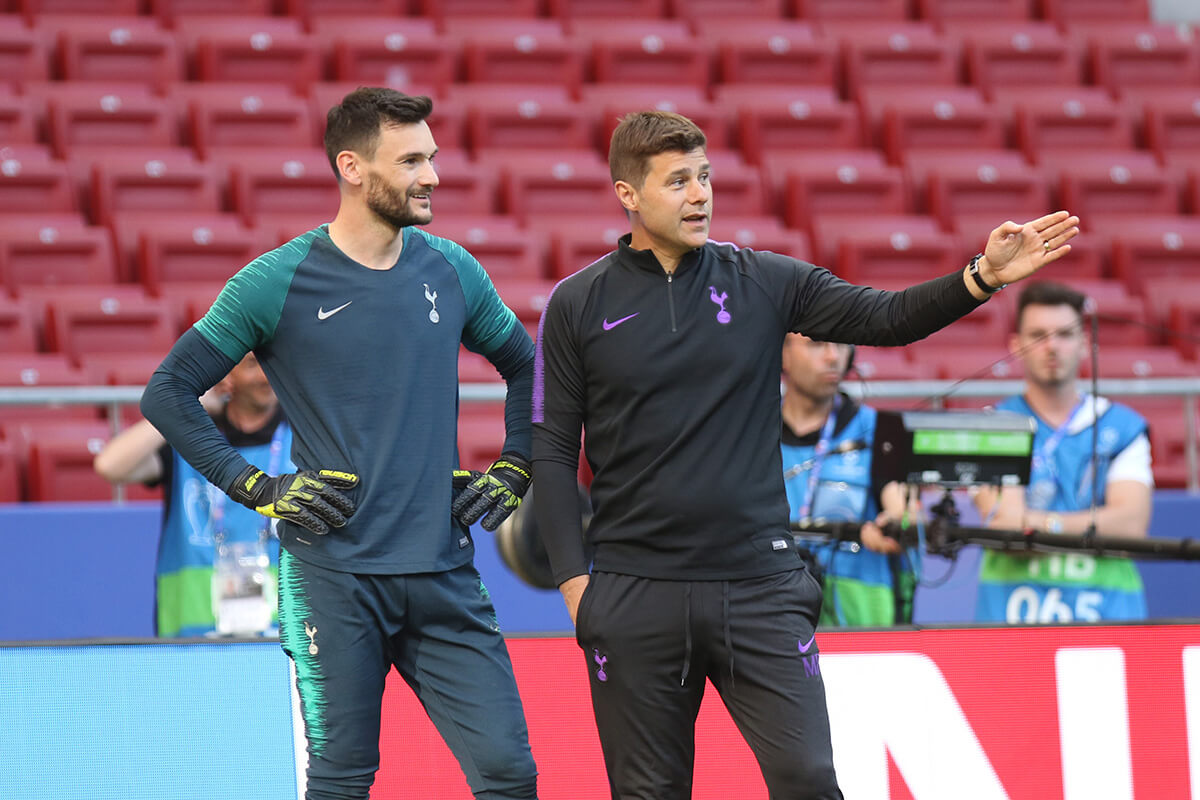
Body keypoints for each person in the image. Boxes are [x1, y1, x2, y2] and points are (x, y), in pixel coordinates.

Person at [531, 109, 1079, 799]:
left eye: (704, 176)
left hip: (759, 586)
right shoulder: (577, 303)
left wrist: (981, 275)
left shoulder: (764, 280)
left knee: (810, 781)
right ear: (629, 194)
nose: (700, 193)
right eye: (678, 181)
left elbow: (887, 317)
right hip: (635, 592)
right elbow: (551, 450)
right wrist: (579, 591)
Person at [140, 88, 539, 800]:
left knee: (510, 774)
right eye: (412, 160)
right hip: (331, 579)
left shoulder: (452, 269)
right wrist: (255, 488)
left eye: (433, 158)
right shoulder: (275, 280)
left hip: (443, 571)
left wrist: (517, 464)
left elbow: (530, 367)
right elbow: (167, 393)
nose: (433, 177)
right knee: (342, 779)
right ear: (351, 167)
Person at [972, 281, 1152, 623]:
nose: (1051, 347)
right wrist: (1095, 524)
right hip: (1011, 620)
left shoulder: (1124, 427)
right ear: (1017, 346)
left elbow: (1130, 526)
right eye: (1038, 335)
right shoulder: (994, 425)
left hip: (1109, 617)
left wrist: (1041, 524)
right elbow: (1005, 526)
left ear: (1085, 345)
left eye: (1064, 335)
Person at [95, 353, 293, 638]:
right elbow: (110, 465)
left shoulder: (303, 439)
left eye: (271, 361)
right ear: (225, 373)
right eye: (252, 365)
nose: (266, 375)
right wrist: (187, 409)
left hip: (282, 640)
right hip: (191, 644)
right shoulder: (190, 439)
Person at [780, 334, 913, 627]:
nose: (833, 356)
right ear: (782, 354)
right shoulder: (750, 428)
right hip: (771, 617)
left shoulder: (879, 429)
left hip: (862, 628)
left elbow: (904, 514)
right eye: (816, 344)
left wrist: (893, 524)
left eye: (840, 344)